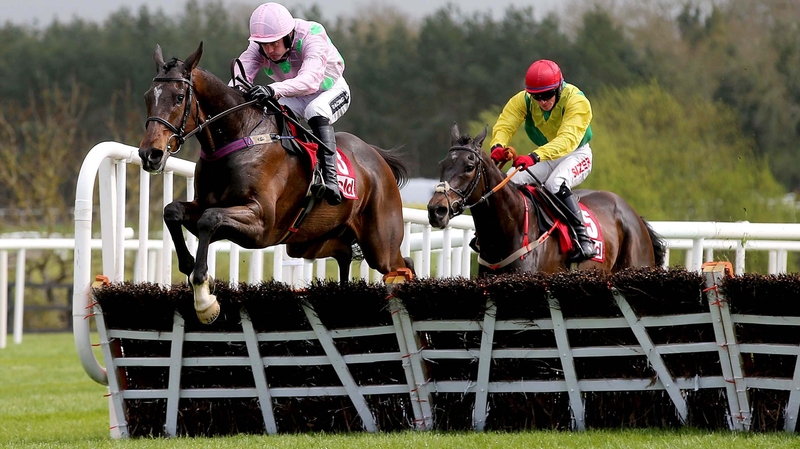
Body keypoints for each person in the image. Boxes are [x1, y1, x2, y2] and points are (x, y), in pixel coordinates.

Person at [233, 2, 349, 205]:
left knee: (316, 110)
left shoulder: (312, 34)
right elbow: (241, 74)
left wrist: (272, 89)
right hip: (294, 93)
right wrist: (233, 94)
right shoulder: (259, 45)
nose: (269, 50)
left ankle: (331, 180)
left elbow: (311, 80)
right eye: (264, 45)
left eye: (274, 43)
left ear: (288, 35)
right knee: (266, 112)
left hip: (330, 90)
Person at [489, 59, 596, 261]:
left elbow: (567, 140)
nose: (542, 101)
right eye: (536, 97)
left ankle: (583, 239)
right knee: (508, 182)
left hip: (576, 153)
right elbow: (505, 124)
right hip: (547, 155)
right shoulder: (524, 100)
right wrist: (497, 146)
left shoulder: (577, 101)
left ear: (559, 87)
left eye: (547, 95)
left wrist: (534, 156)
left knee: (555, 184)